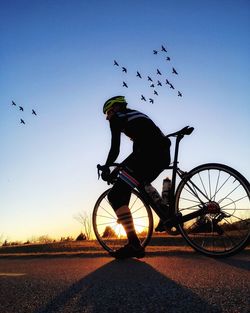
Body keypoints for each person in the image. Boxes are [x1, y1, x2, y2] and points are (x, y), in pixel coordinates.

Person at [100, 95, 171, 259]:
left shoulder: (118, 118)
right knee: (136, 182)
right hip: (160, 154)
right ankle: (166, 212)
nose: (107, 117)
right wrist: (117, 169)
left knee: (115, 195)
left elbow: (115, 148)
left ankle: (134, 245)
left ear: (116, 108)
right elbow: (136, 154)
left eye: (108, 112)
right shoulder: (134, 117)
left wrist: (106, 166)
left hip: (148, 155)